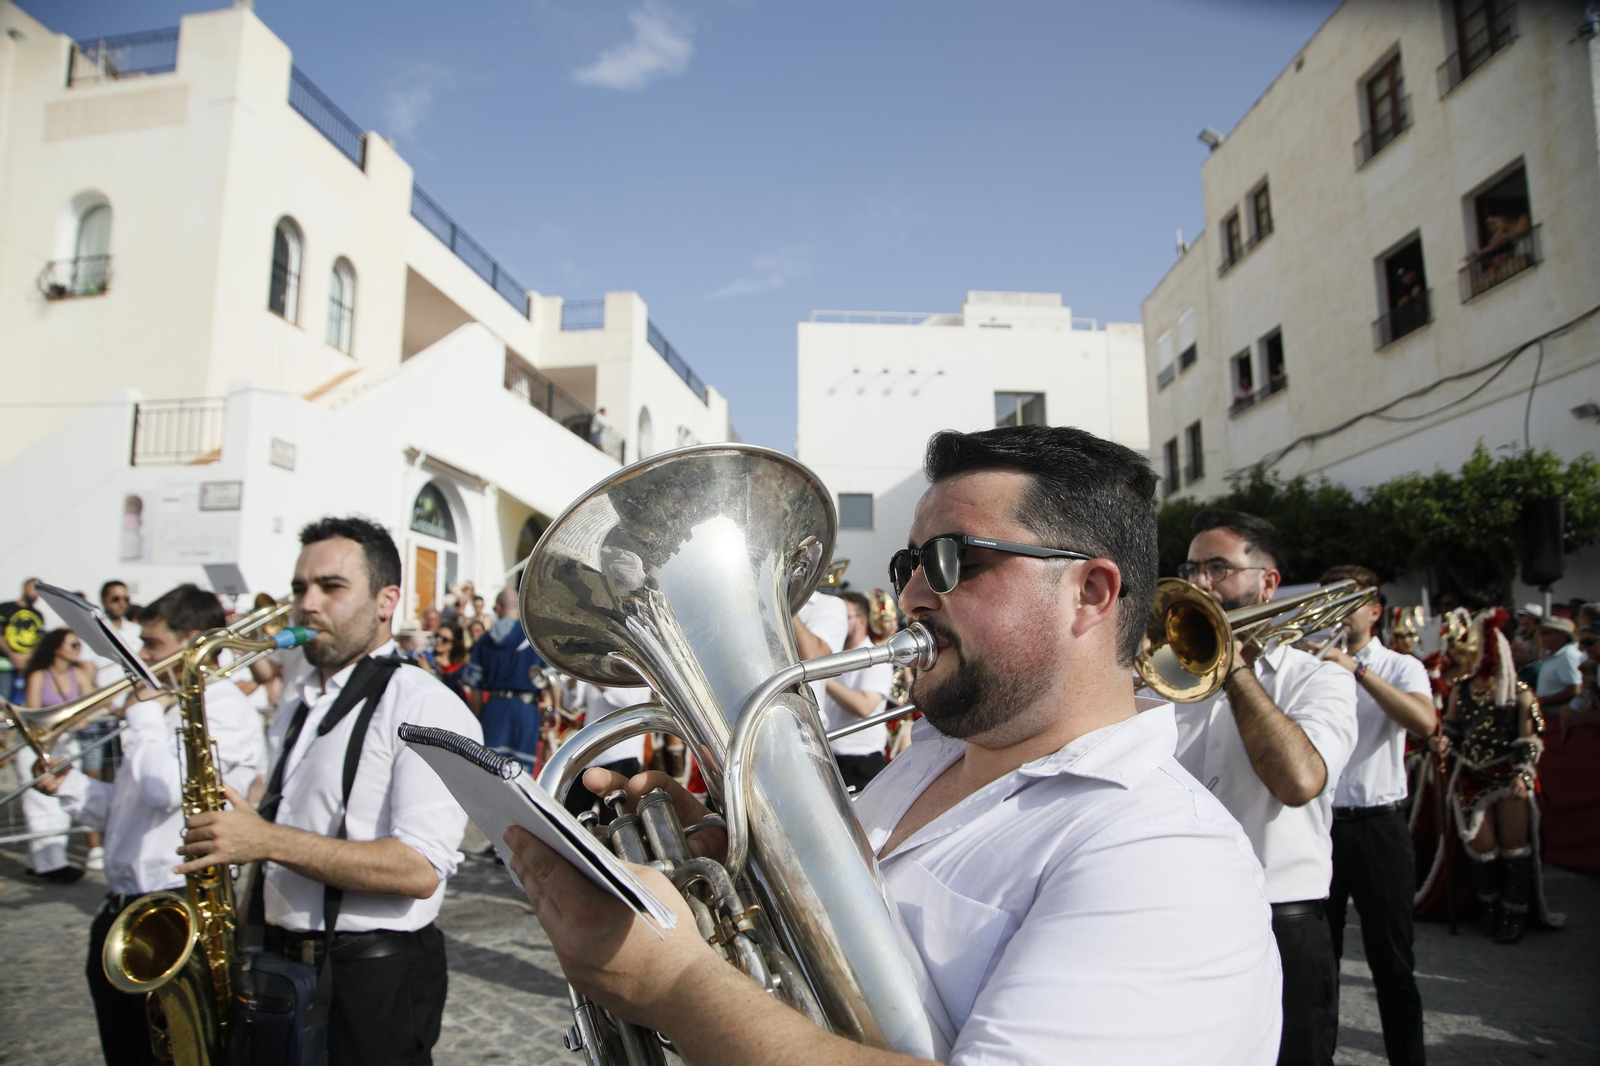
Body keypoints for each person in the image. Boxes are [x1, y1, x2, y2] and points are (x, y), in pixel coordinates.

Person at [502, 425, 1282, 1064]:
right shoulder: (925, 762)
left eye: (953, 561)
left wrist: (673, 978)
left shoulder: (1167, 852)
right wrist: (738, 880)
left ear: (1091, 593)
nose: (911, 592)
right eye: (910, 563)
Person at [173, 516, 482, 1065]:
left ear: (387, 602)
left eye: (331, 587)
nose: (307, 604)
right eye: (300, 588)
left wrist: (264, 841)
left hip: (369, 979)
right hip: (280, 961)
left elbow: (417, 869)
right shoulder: (298, 699)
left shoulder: (424, 704)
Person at [33, 584, 269, 1066]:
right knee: (122, 1049)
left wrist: (142, 713)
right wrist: (70, 786)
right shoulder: (159, 709)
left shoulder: (224, 708)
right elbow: (126, 812)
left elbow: (167, 791)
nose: (141, 656)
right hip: (120, 908)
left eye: (154, 644)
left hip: (176, 906)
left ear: (195, 642)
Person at [1169, 511, 1357, 1066]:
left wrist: (1234, 670)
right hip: (1185, 911)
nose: (1201, 583)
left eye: (1219, 568)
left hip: (1283, 919)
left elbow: (1299, 781)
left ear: (1267, 583)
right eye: (1194, 568)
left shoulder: (1320, 679)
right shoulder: (1173, 677)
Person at [1317, 566, 1434, 1066]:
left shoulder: (1401, 666)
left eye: (1349, 602)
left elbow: (1425, 723)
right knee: (1321, 967)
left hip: (1378, 825)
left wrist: (1357, 669)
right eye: (1330, 601)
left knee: (1392, 965)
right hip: (1321, 826)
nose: (1339, 612)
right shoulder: (1312, 665)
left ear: (1374, 611)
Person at [1429, 609, 1558, 943]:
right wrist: (1443, 740)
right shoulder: (1461, 690)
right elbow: (1454, 729)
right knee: (1481, 846)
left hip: (1508, 777)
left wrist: (1522, 774)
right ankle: (1488, 906)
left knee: (1513, 847)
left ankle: (1513, 913)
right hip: (1471, 777)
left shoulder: (1520, 693)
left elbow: (1530, 739)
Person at [19, 628, 94, 883]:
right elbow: (33, 713)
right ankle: (51, 865)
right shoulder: (40, 675)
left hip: (66, 745)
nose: (78, 649)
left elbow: (93, 702)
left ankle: (39, 861)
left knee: (59, 805)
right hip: (39, 746)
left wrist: (84, 719)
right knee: (42, 807)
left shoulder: (79, 673)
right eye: (72, 645)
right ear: (57, 648)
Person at [816, 591, 895, 790]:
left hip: (860, 763)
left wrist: (821, 676)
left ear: (861, 621)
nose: (836, 621)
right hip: (831, 759)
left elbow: (864, 706)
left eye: (843, 616)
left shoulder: (876, 658)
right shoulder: (832, 654)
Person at [463, 587, 547, 770]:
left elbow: (474, 685)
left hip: (495, 709)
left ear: (498, 607)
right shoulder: (534, 637)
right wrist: (553, 710)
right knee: (521, 775)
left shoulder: (485, 640)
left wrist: (481, 713)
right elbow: (549, 680)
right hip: (526, 711)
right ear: (518, 607)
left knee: (490, 771)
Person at [561, 680, 653, 818]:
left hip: (621, 754)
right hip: (590, 756)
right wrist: (573, 681)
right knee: (570, 815)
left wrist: (597, 679)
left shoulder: (634, 674)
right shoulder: (594, 670)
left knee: (613, 818)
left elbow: (629, 701)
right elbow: (571, 703)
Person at [2, 576, 48, 701]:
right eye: (33, 588)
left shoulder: (39, 615)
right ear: (24, 587)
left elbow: (41, 640)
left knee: (20, 702)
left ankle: (11, 722)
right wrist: (11, 654)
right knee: (3, 701)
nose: (35, 592)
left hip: (25, 666)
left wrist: (27, 657)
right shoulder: (6, 608)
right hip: (4, 665)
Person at [1533, 615, 1583, 712]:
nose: (1541, 638)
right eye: (1541, 634)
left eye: (1546, 633)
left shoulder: (1568, 655)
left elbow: (1574, 690)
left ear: (1563, 635)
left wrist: (1542, 701)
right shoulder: (1554, 655)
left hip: (1557, 712)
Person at [431, 621, 469, 704]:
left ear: (454, 644)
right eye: (437, 636)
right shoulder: (428, 661)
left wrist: (432, 673)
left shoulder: (462, 668)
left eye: (444, 640)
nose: (438, 640)